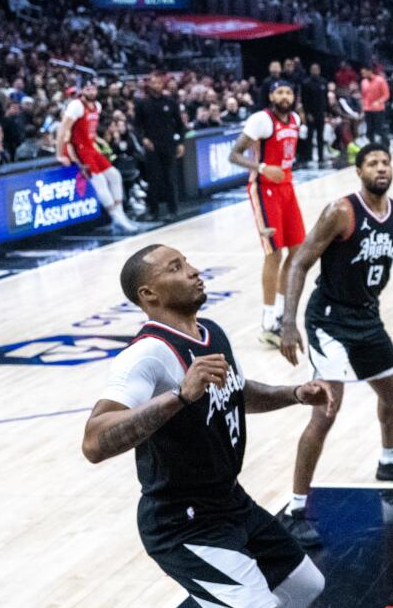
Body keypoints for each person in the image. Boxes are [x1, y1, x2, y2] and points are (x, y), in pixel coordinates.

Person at [81, 244, 337, 607]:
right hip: (181, 521)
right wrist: (179, 396)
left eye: (187, 261)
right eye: (176, 267)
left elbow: (236, 393)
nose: (193, 270)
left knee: (304, 586)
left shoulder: (211, 332)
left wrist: (294, 393)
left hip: (230, 502)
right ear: (148, 294)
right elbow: (94, 442)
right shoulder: (146, 354)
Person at [276, 143, 393, 547]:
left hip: (367, 317)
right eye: (372, 163)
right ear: (359, 172)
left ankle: (389, 463)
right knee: (326, 410)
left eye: (385, 162)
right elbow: (301, 261)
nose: (381, 168)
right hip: (329, 320)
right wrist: (287, 321)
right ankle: (296, 508)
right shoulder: (341, 211)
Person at [229, 80, 307, 346]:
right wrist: (261, 167)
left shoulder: (295, 118)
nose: (284, 96)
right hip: (264, 189)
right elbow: (234, 155)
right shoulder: (261, 120)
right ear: (272, 95)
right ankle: (267, 322)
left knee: (297, 251)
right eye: (280, 92)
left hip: (287, 185)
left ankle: (281, 316)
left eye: (288, 91)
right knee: (273, 253)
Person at [57, 81, 138, 234]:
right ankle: (116, 217)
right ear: (82, 91)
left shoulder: (98, 106)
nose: (91, 91)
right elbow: (63, 130)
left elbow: (91, 133)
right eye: (87, 88)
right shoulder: (76, 106)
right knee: (99, 181)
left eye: (93, 88)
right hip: (79, 149)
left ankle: (120, 214)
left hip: (91, 147)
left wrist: (100, 142)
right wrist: (60, 154)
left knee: (115, 176)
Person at [133, 72, 186, 222]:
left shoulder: (171, 102)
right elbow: (137, 126)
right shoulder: (142, 103)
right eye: (153, 82)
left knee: (170, 178)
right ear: (149, 84)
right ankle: (153, 211)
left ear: (162, 84)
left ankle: (173, 209)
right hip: (152, 146)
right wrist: (143, 139)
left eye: (158, 82)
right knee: (153, 179)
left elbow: (180, 125)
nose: (156, 85)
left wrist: (180, 142)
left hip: (169, 144)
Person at [300, 63, 329, 167]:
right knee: (310, 136)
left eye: (317, 69)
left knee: (320, 136)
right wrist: (307, 113)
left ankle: (321, 157)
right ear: (311, 70)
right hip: (310, 114)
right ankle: (309, 157)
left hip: (321, 113)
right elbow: (304, 100)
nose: (315, 70)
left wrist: (327, 112)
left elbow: (325, 99)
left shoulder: (324, 82)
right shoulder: (306, 83)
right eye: (313, 69)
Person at [361, 65, 390, 147]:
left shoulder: (380, 80)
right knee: (369, 130)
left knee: (379, 129)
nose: (363, 75)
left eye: (364, 73)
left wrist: (379, 101)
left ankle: (387, 144)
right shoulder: (363, 82)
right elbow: (364, 96)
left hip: (378, 109)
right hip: (367, 109)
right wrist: (363, 107)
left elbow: (386, 94)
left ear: (369, 71)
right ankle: (372, 146)